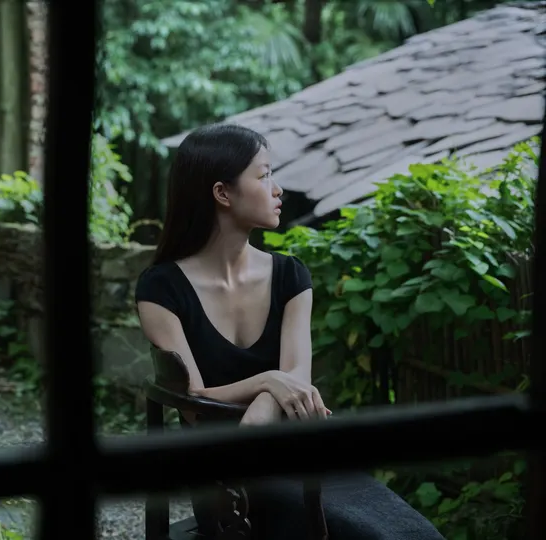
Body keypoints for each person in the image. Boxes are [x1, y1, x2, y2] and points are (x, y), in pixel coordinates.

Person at [135, 124, 444, 540]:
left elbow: (297, 379)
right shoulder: (161, 288)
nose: (278, 189)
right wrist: (268, 381)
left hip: (299, 452)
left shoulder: (290, 276)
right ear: (222, 193)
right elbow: (194, 404)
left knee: (413, 534)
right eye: (264, 176)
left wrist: (267, 401)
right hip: (228, 481)